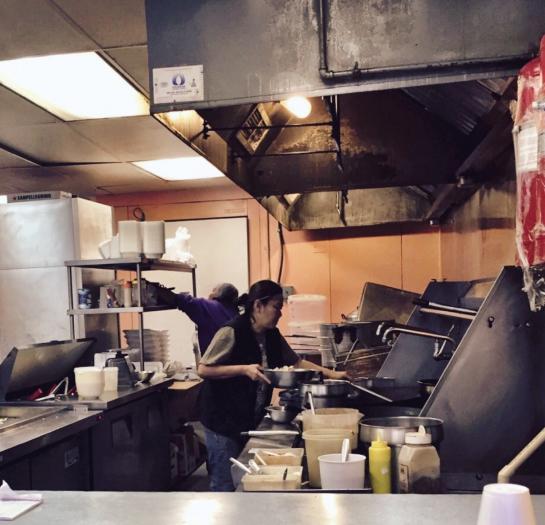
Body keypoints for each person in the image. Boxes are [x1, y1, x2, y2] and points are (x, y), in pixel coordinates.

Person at [197, 279, 349, 491]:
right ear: (258, 305)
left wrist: (334, 374)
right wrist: (243, 369)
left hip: (247, 416)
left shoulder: (271, 334)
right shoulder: (232, 331)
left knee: (244, 478)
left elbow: (296, 363)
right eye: (276, 307)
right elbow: (203, 369)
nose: (280, 313)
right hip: (221, 418)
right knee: (225, 483)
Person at [161, 283, 239, 355]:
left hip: (214, 362)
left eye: (214, 290)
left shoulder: (210, 308)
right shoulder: (235, 312)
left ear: (216, 294)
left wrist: (157, 289)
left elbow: (183, 300)